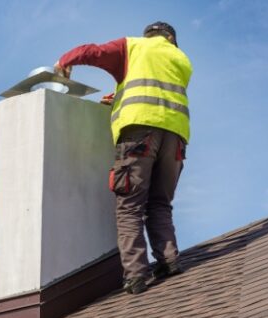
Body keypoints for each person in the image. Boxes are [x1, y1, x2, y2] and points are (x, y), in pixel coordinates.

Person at [55, 22, 192, 294]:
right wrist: (118, 96)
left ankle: (136, 275)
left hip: (139, 134)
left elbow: (92, 52)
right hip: (175, 138)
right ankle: (169, 261)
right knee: (160, 203)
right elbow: (155, 91)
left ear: (148, 36)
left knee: (129, 205)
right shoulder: (181, 59)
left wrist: (64, 61)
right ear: (171, 38)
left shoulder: (132, 46)